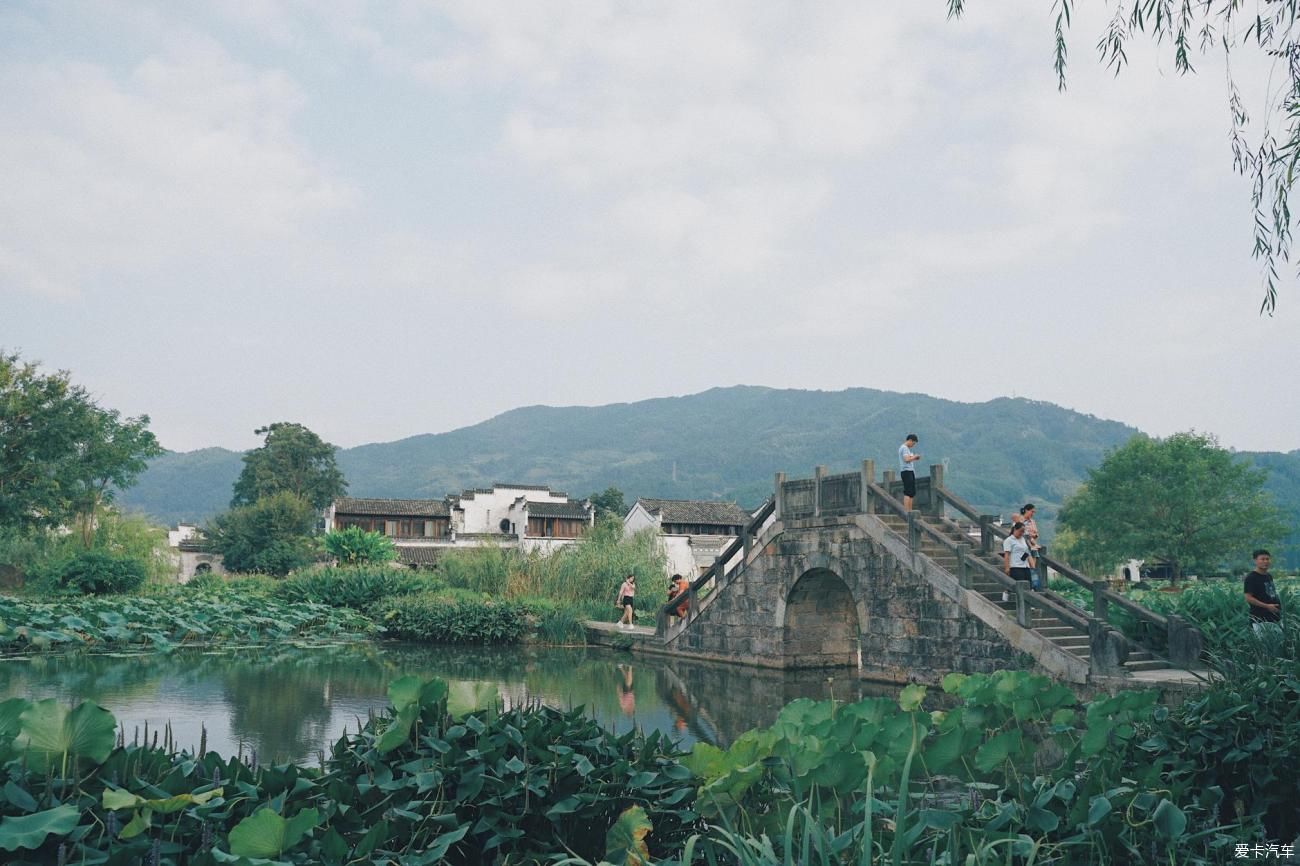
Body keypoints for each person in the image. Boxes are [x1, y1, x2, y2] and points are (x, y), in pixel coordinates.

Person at [1244, 549, 1282, 632]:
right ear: (1255, 561)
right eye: (1262, 559)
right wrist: (1267, 606)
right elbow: (1248, 598)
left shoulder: (1268, 576)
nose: (1265, 561)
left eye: (1267, 559)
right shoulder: (1251, 577)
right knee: (1264, 643)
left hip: (1274, 617)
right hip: (1260, 619)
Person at [1002, 522, 1036, 586]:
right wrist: (1007, 568)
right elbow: (1007, 555)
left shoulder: (1023, 539)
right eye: (1020, 531)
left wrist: (1032, 565)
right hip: (1016, 567)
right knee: (1020, 586)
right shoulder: (1009, 540)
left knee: (1029, 586)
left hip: (1026, 567)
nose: (1021, 533)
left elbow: (1027, 552)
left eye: (1023, 532)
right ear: (1015, 529)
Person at [898, 433, 921, 511]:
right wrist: (915, 456)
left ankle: (910, 511)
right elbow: (906, 459)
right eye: (913, 443)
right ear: (910, 440)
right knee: (908, 492)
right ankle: (907, 511)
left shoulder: (906, 448)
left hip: (909, 471)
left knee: (911, 492)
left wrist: (913, 458)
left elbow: (908, 458)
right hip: (906, 471)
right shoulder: (904, 448)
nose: (913, 445)